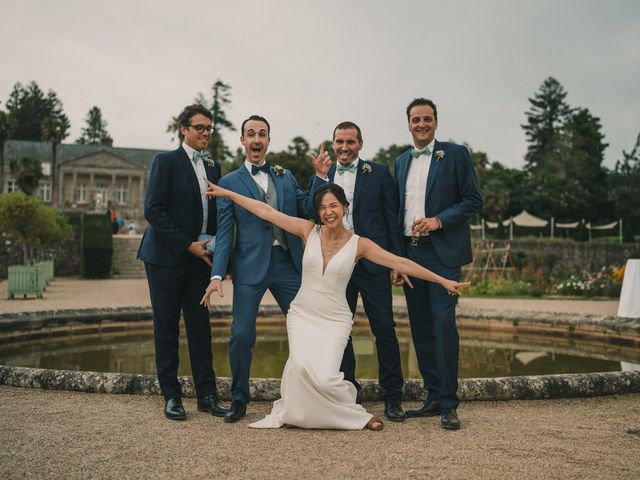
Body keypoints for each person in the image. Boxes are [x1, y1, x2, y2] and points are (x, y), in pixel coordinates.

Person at [201, 181, 468, 430]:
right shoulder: (308, 231)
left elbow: (400, 263)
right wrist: (229, 194)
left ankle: (354, 415)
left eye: (333, 205)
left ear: (344, 207)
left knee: (327, 378)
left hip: (335, 320)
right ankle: (319, 415)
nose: (328, 212)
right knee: (301, 366)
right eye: (322, 207)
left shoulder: (360, 244)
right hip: (302, 314)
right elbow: (266, 210)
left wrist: (442, 280)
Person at [203, 115, 312, 423]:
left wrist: (319, 178)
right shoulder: (229, 183)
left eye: (262, 134)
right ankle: (239, 399)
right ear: (243, 140)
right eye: (250, 134)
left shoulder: (285, 176)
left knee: (306, 327)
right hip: (249, 267)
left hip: (288, 264)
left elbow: (306, 207)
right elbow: (225, 234)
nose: (256, 139)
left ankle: (311, 394)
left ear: (268, 140)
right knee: (240, 335)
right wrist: (216, 275)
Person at [307, 122, 406, 422]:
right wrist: (318, 177)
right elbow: (311, 215)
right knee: (340, 331)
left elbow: (392, 218)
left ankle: (392, 397)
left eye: (351, 141)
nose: (344, 147)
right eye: (339, 141)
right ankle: (346, 391)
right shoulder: (325, 175)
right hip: (337, 267)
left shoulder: (378, 173)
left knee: (384, 329)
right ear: (333, 144)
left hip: (373, 265)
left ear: (361, 144)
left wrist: (396, 262)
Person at [394, 98, 483, 430]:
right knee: (421, 327)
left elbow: (473, 200)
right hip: (410, 255)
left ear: (435, 122)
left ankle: (449, 403)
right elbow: (396, 212)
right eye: (416, 120)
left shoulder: (456, 154)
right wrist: (396, 260)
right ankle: (432, 396)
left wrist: (439, 221)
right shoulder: (401, 161)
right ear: (408, 124)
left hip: (443, 254)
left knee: (444, 324)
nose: (421, 124)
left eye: (427, 119)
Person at [137, 104, 227, 421]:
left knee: (201, 329)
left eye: (209, 128)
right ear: (183, 129)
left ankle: (207, 396)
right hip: (166, 258)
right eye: (199, 127)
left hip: (201, 258)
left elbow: (217, 215)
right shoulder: (166, 162)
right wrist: (185, 244)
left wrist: (218, 253)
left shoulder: (214, 167)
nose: (205, 133)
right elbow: (154, 210)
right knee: (167, 328)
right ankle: (172, 396)